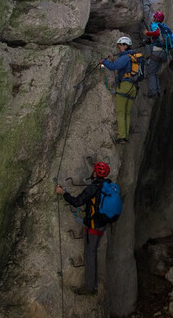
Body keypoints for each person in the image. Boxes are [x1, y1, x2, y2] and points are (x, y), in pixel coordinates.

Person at [55, 162, 114, 295]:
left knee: (90, 255)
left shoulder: (92, 188)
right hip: (102, 225)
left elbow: (77, 202)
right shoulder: (109, 185)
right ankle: (93, 284)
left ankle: (89, 288)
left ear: (95, 174)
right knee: (93, 253)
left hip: (93, 226)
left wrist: (63, 192)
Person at [101, 36, 140, 143]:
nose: (119, 49)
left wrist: (104, 61)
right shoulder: (133, 57)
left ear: (125, 45)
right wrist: (113, 60)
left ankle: (121, 137)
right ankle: (125, 136)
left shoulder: (126, 57)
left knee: (121, 112)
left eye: (120, 46)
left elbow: (113, 67)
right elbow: (122, 66)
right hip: (134, 87)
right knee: (127, 113)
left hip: (125, 86)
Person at [143, 11, 169, 97]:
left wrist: (147, 33)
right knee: (154, 73)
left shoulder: (155, 25)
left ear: (155, 18)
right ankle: (157, 90)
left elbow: (156, 33)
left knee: (151, 73)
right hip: (164, 53)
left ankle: (153, 92)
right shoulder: (163, 28)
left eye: (154, 16)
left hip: (156, 52)